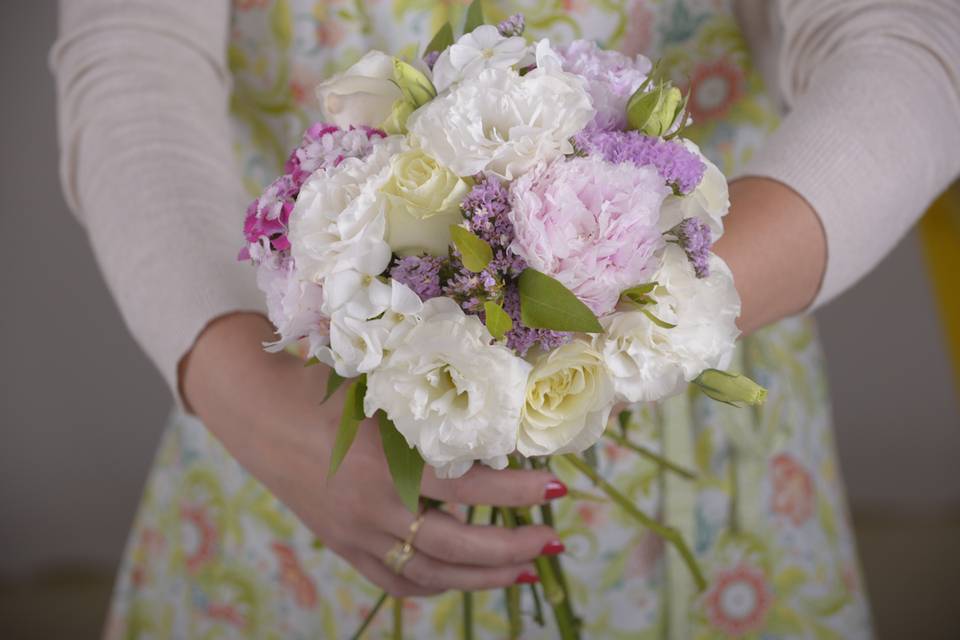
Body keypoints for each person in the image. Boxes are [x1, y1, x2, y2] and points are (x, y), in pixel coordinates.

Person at [52, 0, 959, 638]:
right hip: (301, 425)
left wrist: (660, 314)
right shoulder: (278, 414)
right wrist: (252, 398)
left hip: (699, 438)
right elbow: (131, 59)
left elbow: (910, 43)